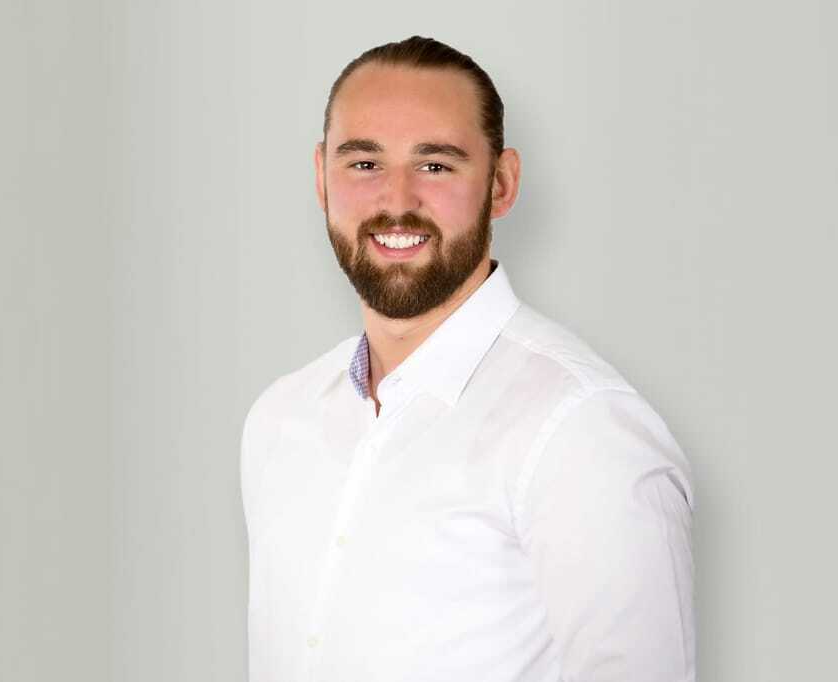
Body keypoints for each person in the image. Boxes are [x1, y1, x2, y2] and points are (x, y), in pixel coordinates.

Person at [240, 35, 695, 682]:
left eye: (435, 165)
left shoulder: (582, 431)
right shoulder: (279, 419)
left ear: (501, 184)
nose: (397, 201)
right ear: (320, 177)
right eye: (364, 163)